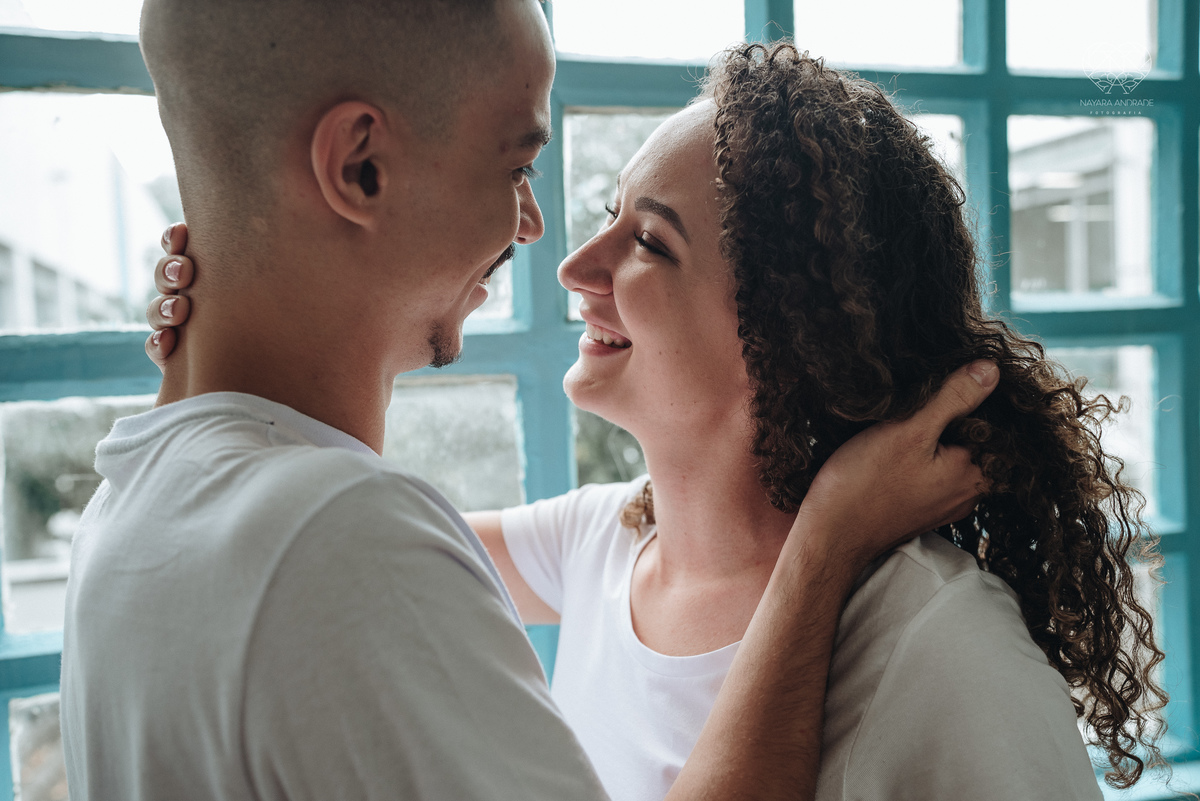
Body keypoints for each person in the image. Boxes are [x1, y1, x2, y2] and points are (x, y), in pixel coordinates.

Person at [152, 41, 1169, 801]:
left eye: (648, 241)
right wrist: (219, 352)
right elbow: (348, 557)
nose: (573, 268)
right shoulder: (600, 542)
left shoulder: (941, 646)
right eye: (610, 215)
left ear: (786, 336)